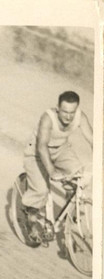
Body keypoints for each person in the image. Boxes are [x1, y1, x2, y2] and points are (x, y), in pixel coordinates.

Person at [21, 91, 93, 239]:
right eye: (65, 112)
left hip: (61, 150)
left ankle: (68, 214)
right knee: (41, 190)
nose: (68, 117)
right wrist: (52, 172)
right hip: (37, 154)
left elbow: (94, 140)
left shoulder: (80, 117)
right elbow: (42, 146)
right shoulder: (48, 118)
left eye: (72, 112)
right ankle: (31, 219)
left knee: (79, 177)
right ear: (58, 108)